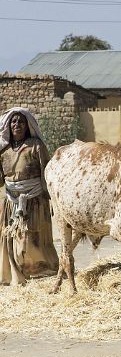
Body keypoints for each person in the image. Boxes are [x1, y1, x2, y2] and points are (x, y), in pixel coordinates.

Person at [0, 107, 58, 285]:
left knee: (29, 237)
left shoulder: (36, 146)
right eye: (14, 122)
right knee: (10, 238)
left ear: (27, 126)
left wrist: (51, 199)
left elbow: (47, 173)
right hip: (11, 200)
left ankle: (40, 273)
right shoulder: (3, 150)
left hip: (34, 200)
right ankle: (14, 276)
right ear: (8, 126)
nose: (17, 125)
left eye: (21, 122)